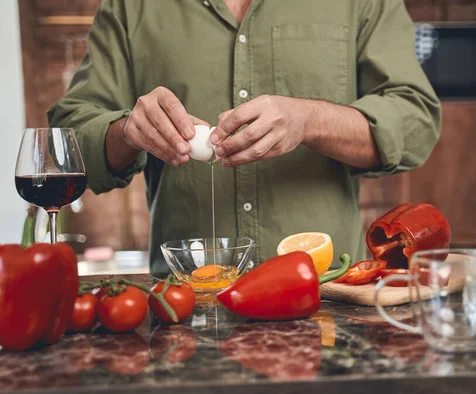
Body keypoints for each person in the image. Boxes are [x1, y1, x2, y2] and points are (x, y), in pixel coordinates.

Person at [48, 0, 441, 275]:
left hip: (330, 299)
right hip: (187, 302)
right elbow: (67, 145)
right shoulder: (130, 6)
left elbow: (416, 123)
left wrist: (310, 120)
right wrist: (127, 131)